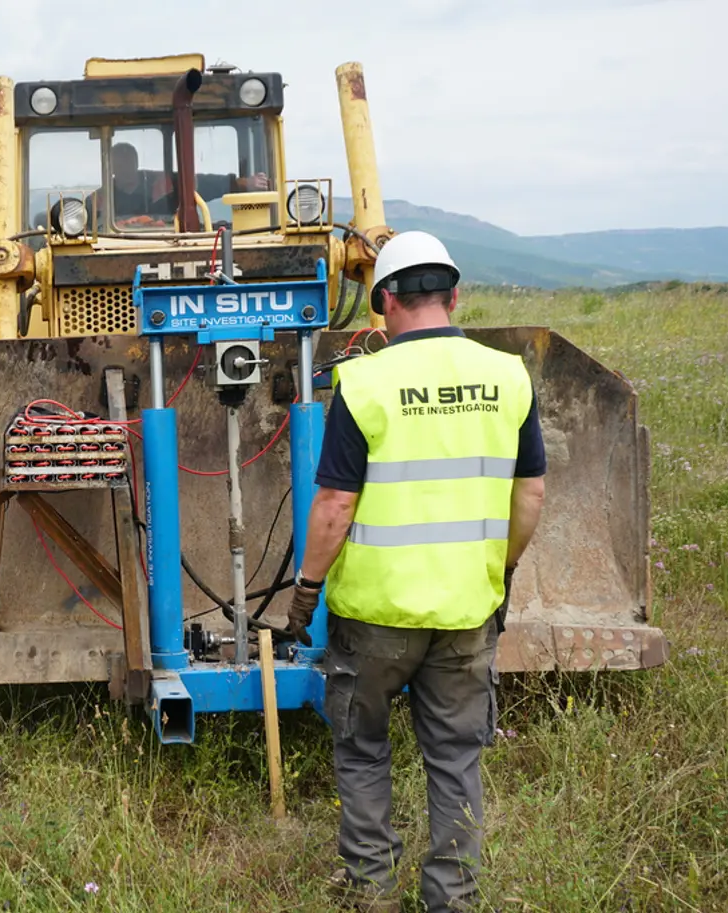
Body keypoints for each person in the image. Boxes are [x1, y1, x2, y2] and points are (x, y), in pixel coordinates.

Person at [284, 231, 547, 913]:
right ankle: (451, 899)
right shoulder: (508, 375)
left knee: (364, 748)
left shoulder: (365, 381)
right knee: (457, 759)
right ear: (454, 297)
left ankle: (371, 892)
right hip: (466, 612)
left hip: (373, 615)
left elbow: (336, 504)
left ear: (384, 303)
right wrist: (504, 567)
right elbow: (532, 494)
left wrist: (306, 589)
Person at [108, 142, 269, 224]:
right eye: (120, 164)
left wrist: (241, 183)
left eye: (129, 162)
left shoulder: (162, 182)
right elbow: (86, 216)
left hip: (170, 240)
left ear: (136, 163)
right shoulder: (102, 198)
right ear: (111, 168)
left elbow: (202, 183)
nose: (125, 168)